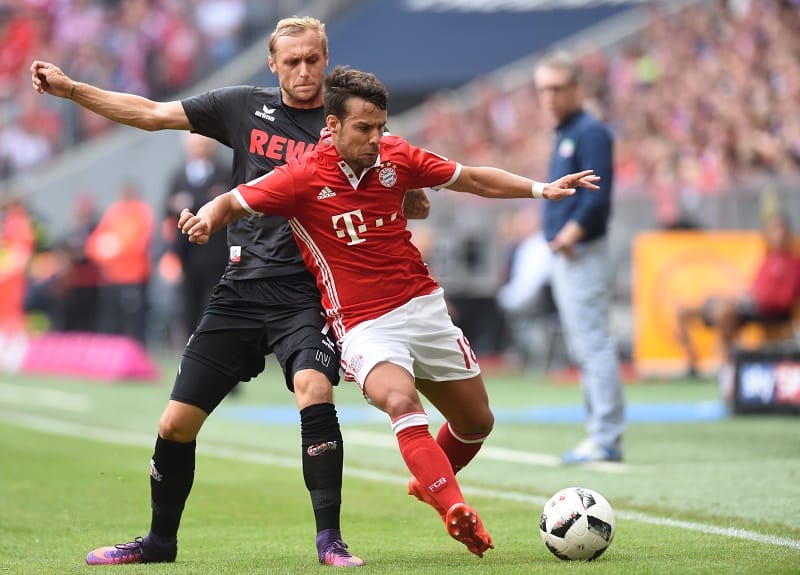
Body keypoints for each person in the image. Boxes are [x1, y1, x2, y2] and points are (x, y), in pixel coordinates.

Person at [31, 16, 430, 568]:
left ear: (326, 56)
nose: (304, 70)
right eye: (292, 61)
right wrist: (74, 90)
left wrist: (408, 198)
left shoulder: (347, 121)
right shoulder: (243, 106)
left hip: (307, 294)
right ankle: (159, 543)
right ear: (273, 65)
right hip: (240, 290)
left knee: (313, 387)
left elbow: (393, 176)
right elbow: (151, 114)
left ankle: (330, 541)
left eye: (313, 58)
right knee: (175, 423)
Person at [179, 65, 600, 557]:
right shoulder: (299, 179)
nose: (377, 138)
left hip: (422, 306)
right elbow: (231, 201)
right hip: (362, 324)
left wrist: (539, 189)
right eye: (365, 128)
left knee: (477, 423)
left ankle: (430, 480)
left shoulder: (396, 157)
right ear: (331, 127)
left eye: (381, 126)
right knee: (401, 401)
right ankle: (454, 508)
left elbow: (472, 179)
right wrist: (204, 220)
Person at [534, 50, 625, 464]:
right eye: (543, 90)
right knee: (585, 344)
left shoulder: (589, 131)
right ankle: (600, 431)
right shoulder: (568, 131)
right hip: (569, 251)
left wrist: (569, 233)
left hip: (582, 250)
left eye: (556, 88)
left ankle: (606, 435)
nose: (548, 97)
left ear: (576, 89)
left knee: (594, 344)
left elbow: (598, 195)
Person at [676, 213, 800, 376]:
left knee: (726, 313)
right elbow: (754, 288)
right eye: (773, 231)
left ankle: (724, 365)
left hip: (768, 311)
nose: (777, 235)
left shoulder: (793, 263)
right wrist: (743, 296)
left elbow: (783, 301)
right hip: (749, 305)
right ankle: (693, 364)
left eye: (780, 230)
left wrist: (757, 299)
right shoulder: (767, 260)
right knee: (684, 310)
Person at [162, 132, 231, 339]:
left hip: (218, 252)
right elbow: (167, 209)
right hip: (189, 253)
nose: (199, 148)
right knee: (189, 305)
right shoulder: (178, 176)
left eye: (203, 144)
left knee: (218, 302)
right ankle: (191, 347)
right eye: (195, 145)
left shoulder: (224, 172)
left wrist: (192, 201)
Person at [85, 179, 154, 344]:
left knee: (134, 320)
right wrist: (104, 252)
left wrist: (117, 249)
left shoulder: (142, 212)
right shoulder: (113, 212)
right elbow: (93, 244)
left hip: (134, 276)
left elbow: (140, 243)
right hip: (112, 277)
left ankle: (136, 353)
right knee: (111, 318)